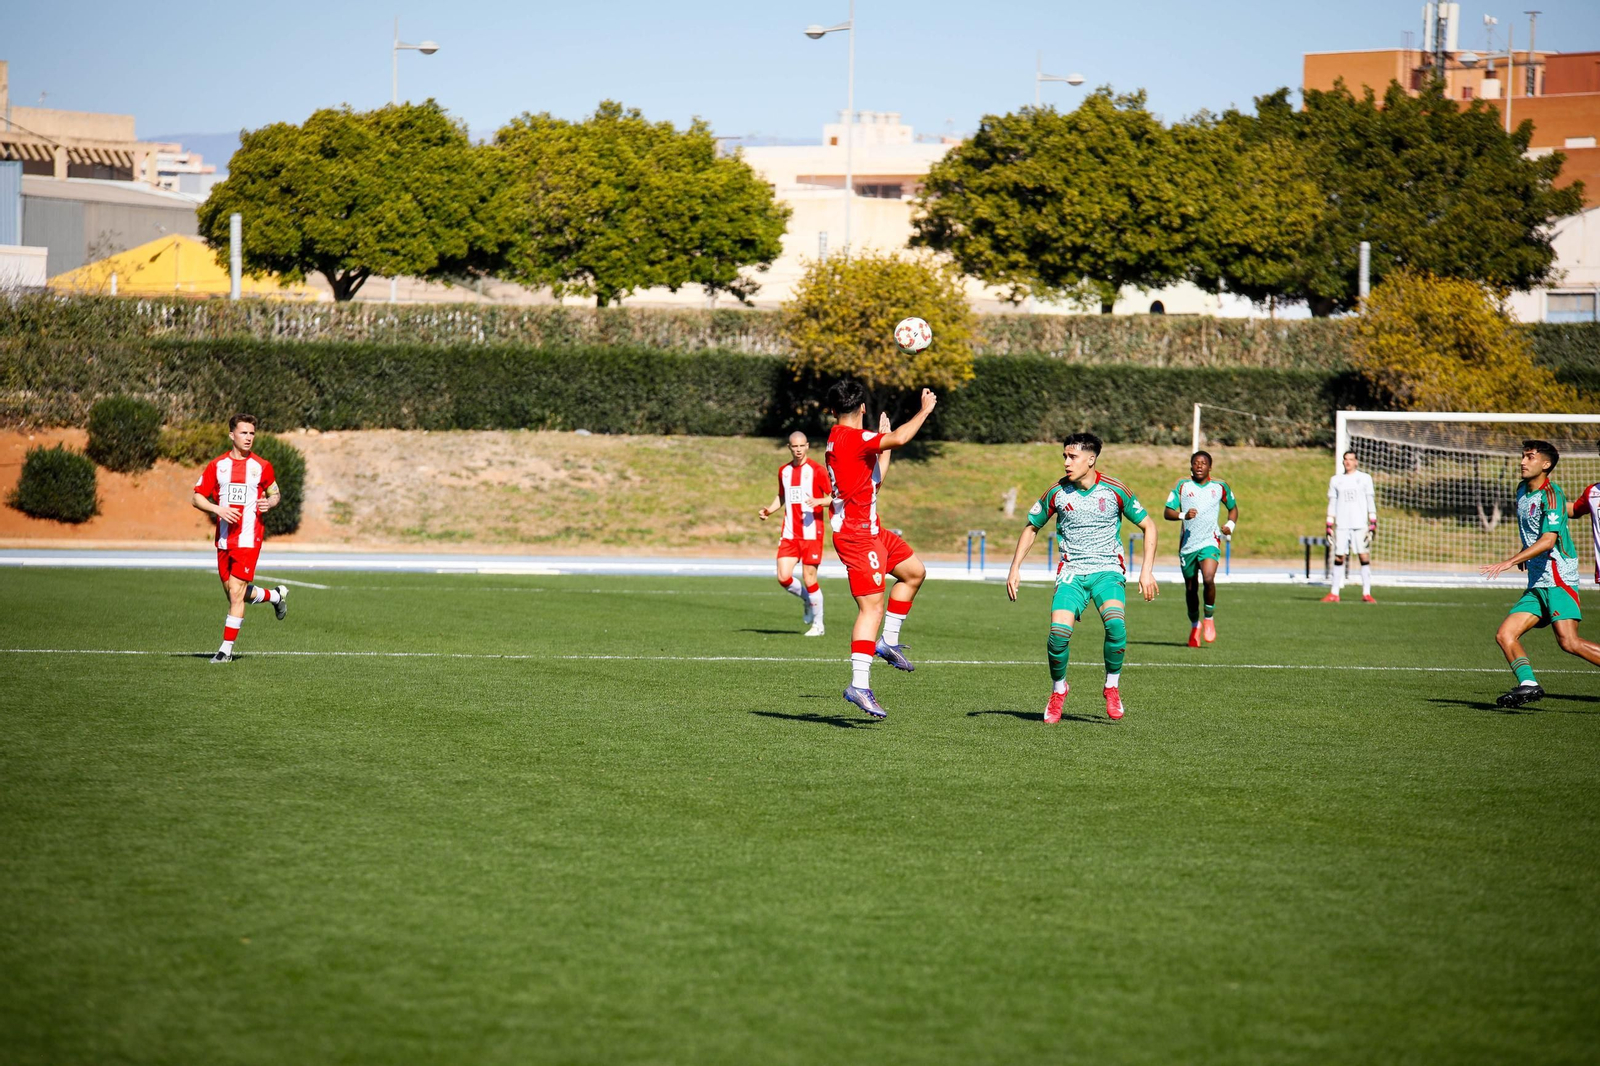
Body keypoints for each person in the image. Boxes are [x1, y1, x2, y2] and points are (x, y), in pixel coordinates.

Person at [1005, 432, 1160, 723]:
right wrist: (1015, 568)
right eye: (1064, 456)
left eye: (1072, 457)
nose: (1066, 462)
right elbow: (1031, 527)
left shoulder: (1115, 490)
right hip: (1071, 574)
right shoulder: (1057, 492)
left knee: (1115, 625)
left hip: (1107, 571)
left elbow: (1149, 526)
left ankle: (1111, 686)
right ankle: (1058, 690)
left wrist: (1146, 570)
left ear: (1091, 459)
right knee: (1057, 636)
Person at [824, 380, 938, 719]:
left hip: (873, 530)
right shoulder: (853, 439)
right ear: (863, 408)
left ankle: (887, 641)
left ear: (832, 411)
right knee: (870, 609)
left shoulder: (840, 438)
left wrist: (881, 446)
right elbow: (901, 438)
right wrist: (924, 410)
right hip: (857, 537)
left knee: (914, 572)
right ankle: (859, 685)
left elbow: (875, 481)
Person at [1481, 439, 1600, 707]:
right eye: (1523, 456)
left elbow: (1548, 541)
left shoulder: (1552, 495)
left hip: (1558, 577)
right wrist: (1525, 551)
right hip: (1537, 581)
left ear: (1546, 464)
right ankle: (1529, 684)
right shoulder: (1521, 490)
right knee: (1505, 634)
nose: (1523, 462)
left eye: (1530, 457)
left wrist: (1510, 561)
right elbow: (1533, 533)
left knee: (1569, 642)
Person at [191, 414, 288, 663]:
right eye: (243, 433)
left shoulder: (261, 466)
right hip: (224, 540)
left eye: (252, 433)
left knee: (236, 593)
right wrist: (217, 509)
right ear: (231, 435)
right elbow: (197, 497)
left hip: (249, 538)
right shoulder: (217, 466)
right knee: (235, 593)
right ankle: (275, 596)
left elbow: (275, 493)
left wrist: (270, 502)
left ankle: (225, 651)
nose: (248, 438)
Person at [757, 431, 830, 636]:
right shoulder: (784, 471)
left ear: (807, 446)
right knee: (783, 576)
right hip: (790, 533)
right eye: (794, 446)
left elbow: (836, 497)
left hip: (811, 533)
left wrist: (819, 501)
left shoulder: (817, 470)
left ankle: (818, 625)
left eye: (801, 446)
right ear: (789, 447)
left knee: (809, 578)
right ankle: (807, 599)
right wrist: (769, 510)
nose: (798, 450)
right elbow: (782, 496)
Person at [1163, 450, 1237, 647]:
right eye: (1196, 462)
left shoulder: (1219, 487)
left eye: (1203, 463)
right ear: (1191, 466)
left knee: (1209, 578)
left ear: (1210, 467)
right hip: (1187, 546)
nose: (1199, 466)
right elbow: (1167, 512)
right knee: (1191, 588)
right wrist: (1183, 515)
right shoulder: (1182, 485)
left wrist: (1230, 525)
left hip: (1210, 541)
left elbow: (1233, 508)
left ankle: (1209, 618)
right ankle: (1195, 625)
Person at [1324, 450, 1378, 603]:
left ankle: (1366, 593)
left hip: (1360, 523)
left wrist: (1373, 522)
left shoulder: (1365, 478)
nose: (1348, 462)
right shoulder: (1336, 480)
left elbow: (1370, 501)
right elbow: (1332, 503)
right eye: (1346, 459)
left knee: (1363, 555)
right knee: (1339, 556)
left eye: (1351, 459)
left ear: (1356, 462)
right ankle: (1334, 593)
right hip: (1342, 524)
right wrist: (1329, 524)